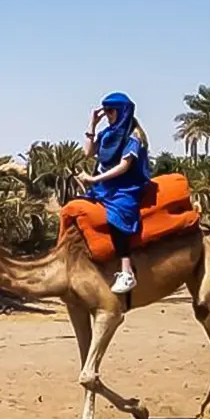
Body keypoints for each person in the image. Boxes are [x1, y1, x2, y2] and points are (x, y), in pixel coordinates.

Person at [78, 92, 152, 295]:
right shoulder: (107, 134)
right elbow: (87, 153)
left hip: (125, 186)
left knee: (117, 216)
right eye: (106, 111)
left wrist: (94, 179)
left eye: (111, 111)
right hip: (104, 186)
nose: (108, 115)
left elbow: (124, 167)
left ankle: (126, 271)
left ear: (121, 112)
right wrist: (92, 124)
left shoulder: (133, 137)